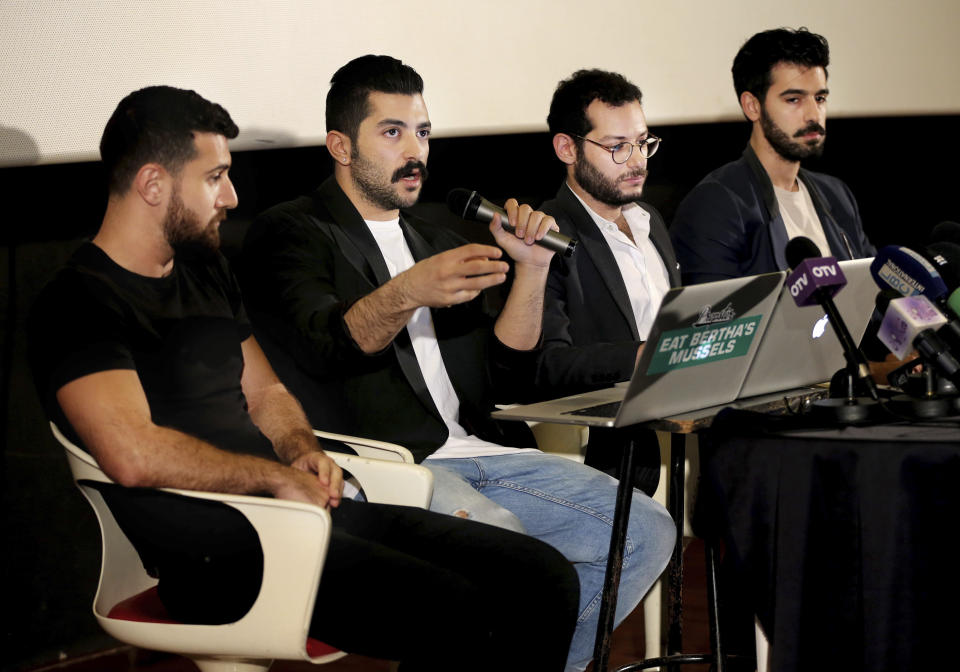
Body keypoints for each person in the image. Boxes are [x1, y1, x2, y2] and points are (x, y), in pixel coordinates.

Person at [27, 85, 581, 672]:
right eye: (215, 177)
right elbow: (133, 454)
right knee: (467, 612)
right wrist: (274, 478)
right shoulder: (77, 303)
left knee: (543, 576)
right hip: (218, 554)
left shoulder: (205, 270)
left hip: (302, 514)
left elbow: (263, 391)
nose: (232, 198)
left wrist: (299, 450)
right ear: (153, 185)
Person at [239, 56, 675, 672]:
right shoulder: (292, 232)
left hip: (479, 452)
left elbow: (508, 372)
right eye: (391, 132)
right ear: (340, 145)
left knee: (647, 532)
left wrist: (531, 268)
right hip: (382, 463)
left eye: (422, 132)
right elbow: (324, 342)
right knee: (512, 554)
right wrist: (407, 292)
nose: (414, 150)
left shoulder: (436, 240)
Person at [536, 69, 681, 495]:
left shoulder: (650, 219)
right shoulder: (544, 233)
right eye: (617, 147)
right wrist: (640, 357)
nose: (637, 161)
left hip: (685, 421)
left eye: (642, 142)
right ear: (567, 148)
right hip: (612, 448)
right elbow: (547, 364)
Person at [670, 27, 875, 285]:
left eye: (820, 98)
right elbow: (710, 319)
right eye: (793, 100)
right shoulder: (715, 204)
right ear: (752, 106)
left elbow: (872, 296)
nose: (813, 114)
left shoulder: (837, 195)